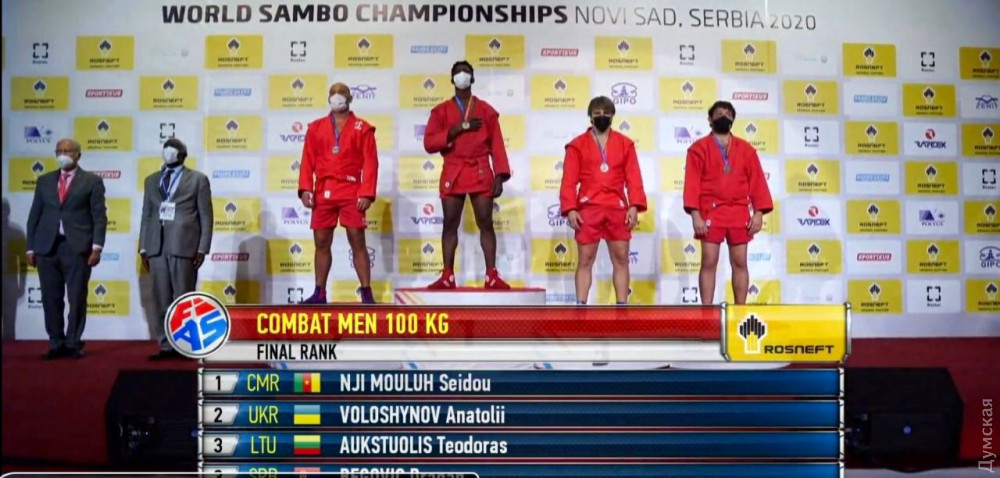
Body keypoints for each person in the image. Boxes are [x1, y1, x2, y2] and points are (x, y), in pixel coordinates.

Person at [423, 60, 512, 289]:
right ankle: (447, 276)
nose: (461, 75)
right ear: (452, 79)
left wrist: (500, 175)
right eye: (457, 72)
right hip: (454, 170)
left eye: (465, 72)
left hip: (480, 170)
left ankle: (491, 275)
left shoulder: (486, 111)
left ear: (472, 78)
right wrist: (454, 130)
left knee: (486, 223)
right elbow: (429, 143)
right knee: (449, 225)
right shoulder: (440, 111)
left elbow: (497, 144)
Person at [683, 100, 773, 305]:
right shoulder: (698, 149)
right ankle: (706, 311)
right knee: (709, 261)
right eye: (718, 113)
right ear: (709, 119)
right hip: (710, 212)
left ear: (733, 119)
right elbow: (692, 184)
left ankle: (740, 310)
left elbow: (758, 182)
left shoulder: (746, 150)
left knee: (740, 262)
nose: (723, 116)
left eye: (727, 113)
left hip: (739, 211)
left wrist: (758, 213)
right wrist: (695, 215)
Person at [560, 96, 646, 305]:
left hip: (617, 208)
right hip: (588, 209)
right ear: (590, 117)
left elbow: (634, 178)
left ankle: (622, 306)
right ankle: (581, 307)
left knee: (621, 259)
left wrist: (634, 206)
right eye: (597, 114)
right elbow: (568, 180)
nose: (602, 117)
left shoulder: (625, 144)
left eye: (606, 113)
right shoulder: (577, 145)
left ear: (613, 116)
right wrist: (570, 208)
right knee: (585, 260)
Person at [298, 82, 379, 304]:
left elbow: (370, 162)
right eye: (333, 93)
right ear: (328, 98)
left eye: (341, 93)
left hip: (351, 190)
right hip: (323, 191)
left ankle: (366, 293)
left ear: (350, 98)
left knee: (357, 241)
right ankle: (319, 293)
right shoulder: (315, 128)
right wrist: (305, 188)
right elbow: (307, 160)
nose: (337, 96)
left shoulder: (363, 128)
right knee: (321, 242)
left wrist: (366, 193)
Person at [26, 138, 107, 359]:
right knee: (50, 299)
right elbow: (34, 216)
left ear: (78, 155)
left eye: (68, 150)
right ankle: (56, 343)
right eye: (59, 150)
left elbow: (99, 217)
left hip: (77, 248)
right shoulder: (44, 181)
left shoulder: (92, 181)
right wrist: (30, 248)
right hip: (47, 248)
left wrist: (97, 247)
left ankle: (73, 343)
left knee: (77, 297)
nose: (63, 154)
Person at [139, 138, 213, 359]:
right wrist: (143, 247)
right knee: (161, 299)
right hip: (156, 246)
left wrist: (202, 248)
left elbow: (206, 217)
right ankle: (165, 346)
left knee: (184, 299)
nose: (168, 151)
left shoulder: (198, 180)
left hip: (184, 246)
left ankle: (184, 345)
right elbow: (146, 215)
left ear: (182, 154)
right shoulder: (151, 180)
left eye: (173, 148)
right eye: (165, 147)